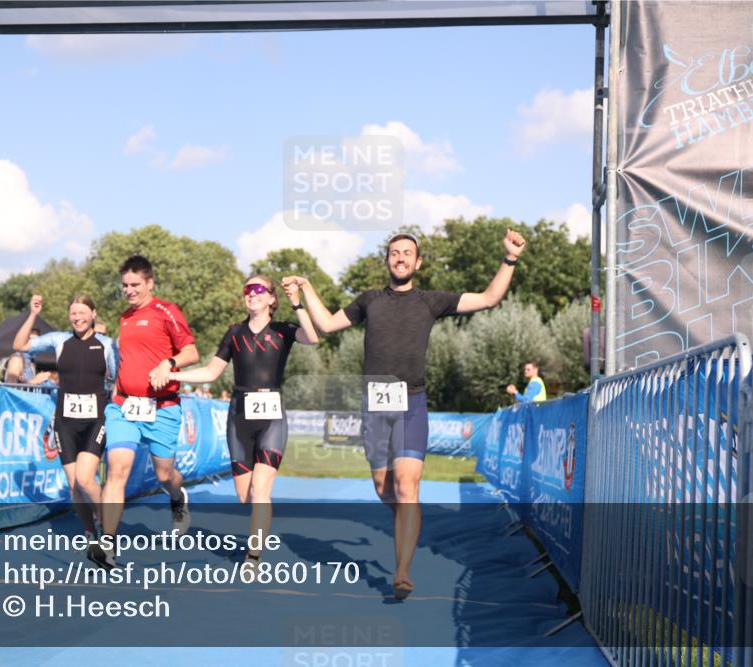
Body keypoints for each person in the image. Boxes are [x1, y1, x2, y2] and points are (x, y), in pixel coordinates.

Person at [285, 229, 527, 599]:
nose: (400, 257)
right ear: (387, 260)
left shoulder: (431, 301)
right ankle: (406, 522)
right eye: (394, 252)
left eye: (407, 253)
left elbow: (489, 298)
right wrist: (306, 289)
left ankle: (401, 573)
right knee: (384, 488)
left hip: (411, 403)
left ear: (418, 262)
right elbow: (329, 324)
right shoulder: (369, 300)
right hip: (375, 405)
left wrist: (509, 258)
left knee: (407, 486)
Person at [170, 275, 318, 570]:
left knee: (261, 490)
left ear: (271, 298)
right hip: (239, 418)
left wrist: (297, 303)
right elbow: (211, 372)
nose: (252, 293)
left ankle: (253, 556)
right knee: (245, 495)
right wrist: (173, 375)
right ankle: (258, 531)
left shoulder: (283, 330)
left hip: (272, 419)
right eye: (248, 289)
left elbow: (313, 337)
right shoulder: (235, 333)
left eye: (259, 289)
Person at [101, 255, 199, 568]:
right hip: (124, 407)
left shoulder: (166, 311)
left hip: (162, 408)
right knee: (117, 470)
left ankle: (177, 497)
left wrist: (168, 363)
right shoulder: (125, 318)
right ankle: (107, 545)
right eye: (125, 285)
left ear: (150, 283)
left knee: (164, 474)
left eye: (135, 284)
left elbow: (191, 352)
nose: (129, 290)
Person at [14, 294, 119, 567]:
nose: (77, 318)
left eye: (82, 313)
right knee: (74, 485)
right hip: (65, 422)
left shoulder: (107, 345)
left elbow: (117, 379)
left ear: (93, 314)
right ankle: (90, 532)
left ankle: (108, 531)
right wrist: (33, 314)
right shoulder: (59, 340)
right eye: (73, 313)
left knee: (85, 479)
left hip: (95, 421)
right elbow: (19, 345)